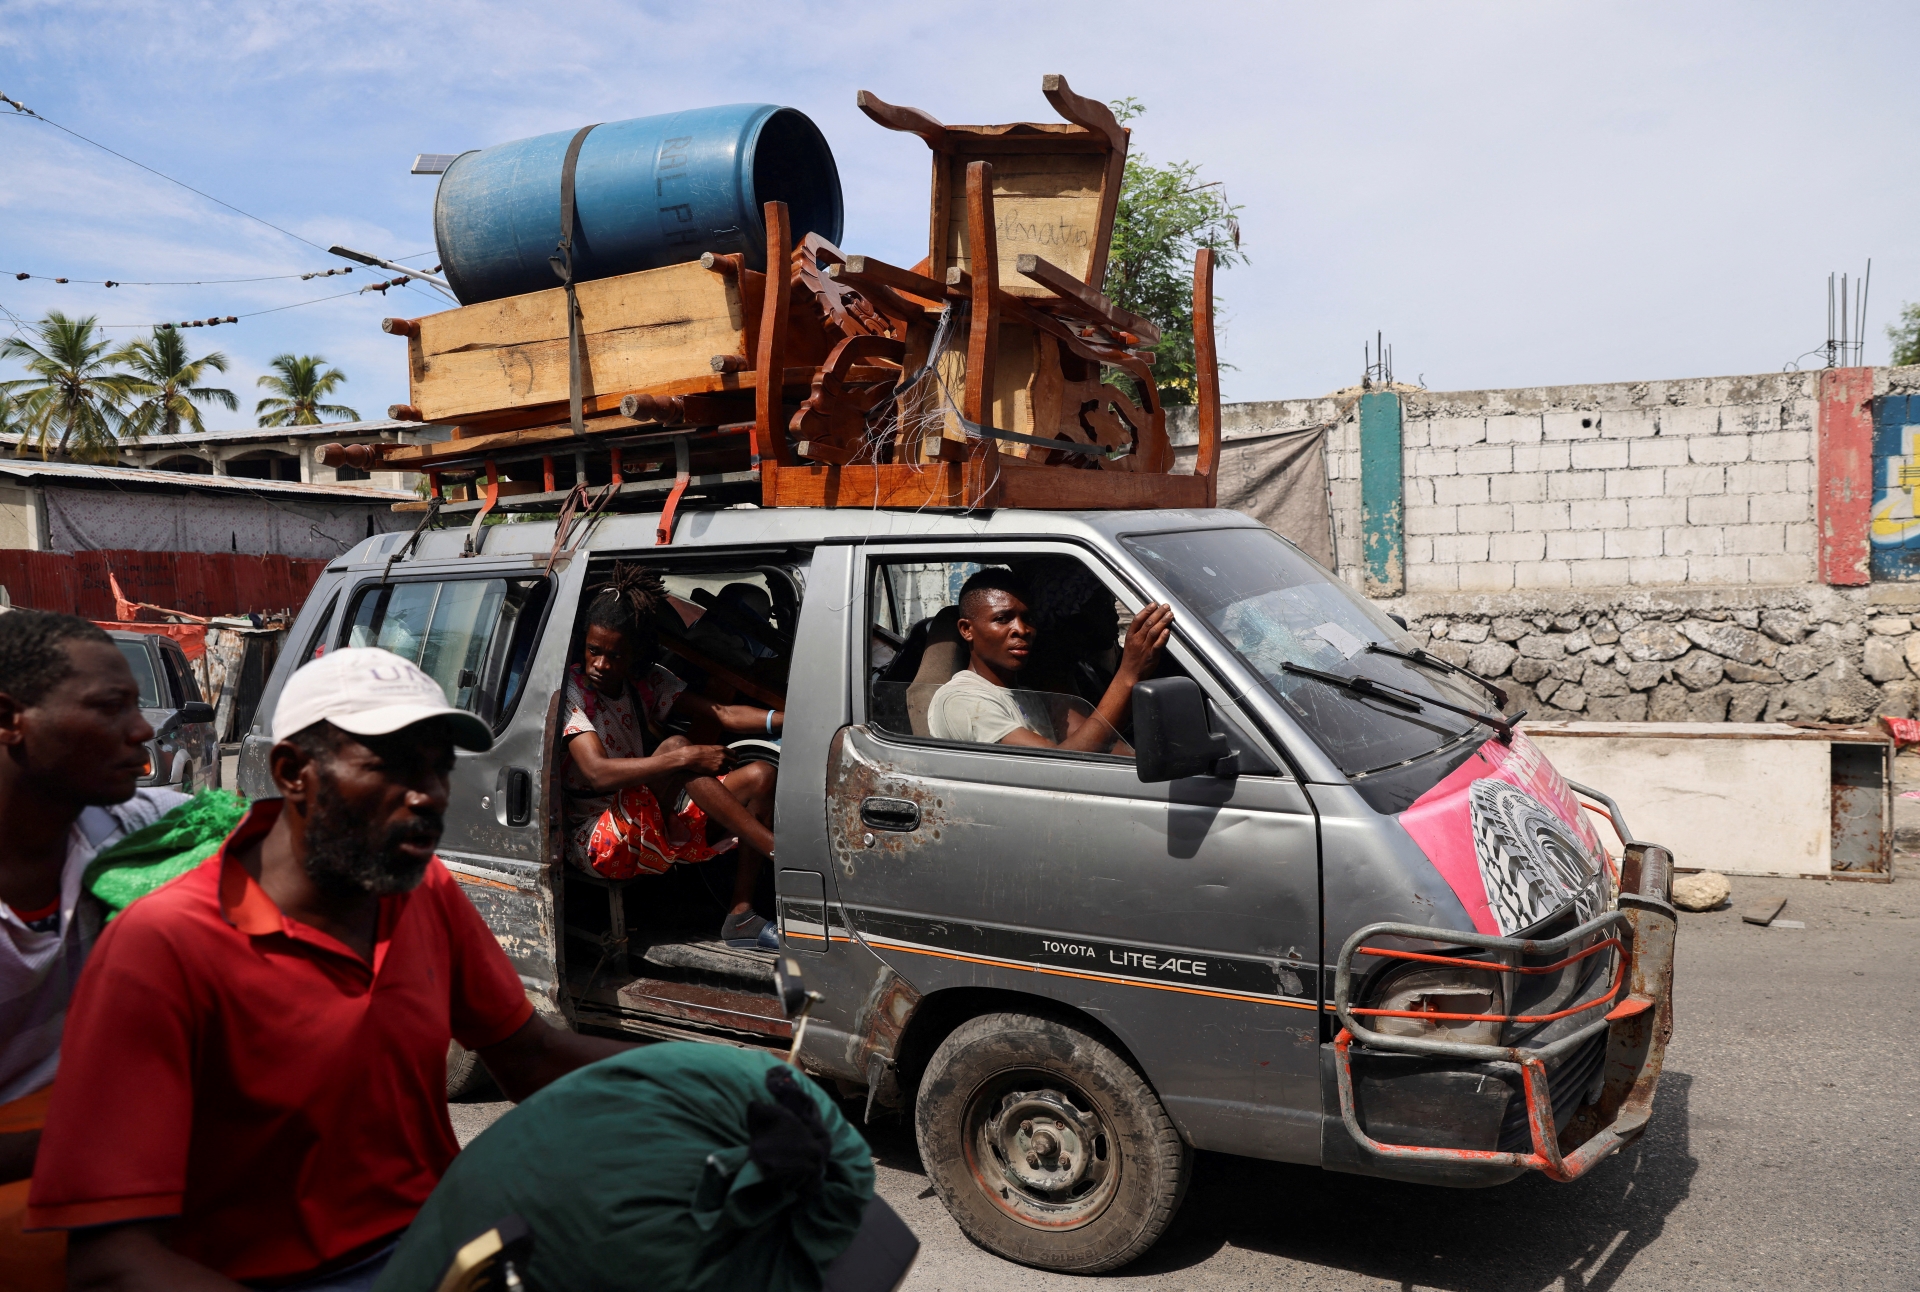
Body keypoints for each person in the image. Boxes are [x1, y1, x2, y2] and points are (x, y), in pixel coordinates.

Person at [28, 647, 635, 1291]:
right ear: (293, 772)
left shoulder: (422, 889)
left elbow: (530, 1056)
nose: (428, 796)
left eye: (439, 770)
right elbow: (111, 1262)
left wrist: (720, 1078)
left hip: (437, 1247)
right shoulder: (164, 945)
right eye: (393, 768)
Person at [0, 612, 186, 1292]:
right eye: (111, 707)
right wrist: (94, 1138)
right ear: (9, 717)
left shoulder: (130, 828)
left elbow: (266, 837)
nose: (141, 731)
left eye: (137, 705)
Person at [561, 570, 780, 949]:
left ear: (635, 655)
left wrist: (792, 718)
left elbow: (723, 714)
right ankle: (778, 852)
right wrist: (687, 757)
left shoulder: (645, 681)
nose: (600, 664)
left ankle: (741, 915)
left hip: (647, 815)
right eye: (594, 650)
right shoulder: (571, 693)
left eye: (614, 655)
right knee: (678, 747)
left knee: (761, 774)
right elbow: (596, 773)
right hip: (596, 837)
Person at [927, 568, 1174, 752]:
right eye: (1003, 619)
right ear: (966, 630)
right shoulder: (963, 700)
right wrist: (1129, 674)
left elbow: (1102, 749)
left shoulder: (1024, 694)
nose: (1022, 630)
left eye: (1028, 619)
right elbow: (1060, 769)